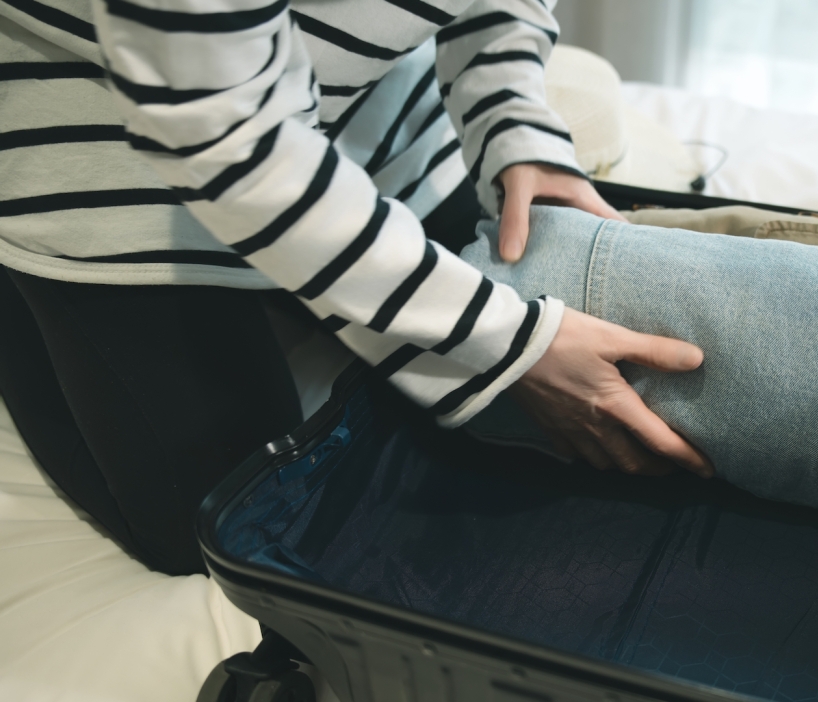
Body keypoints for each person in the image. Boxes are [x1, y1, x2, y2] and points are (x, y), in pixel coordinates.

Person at [0, 0, 710, 576]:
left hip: (363, 92)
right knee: (221, 529)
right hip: (111, 123)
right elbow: (228, 135)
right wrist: (503, 344)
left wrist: (513, 118)